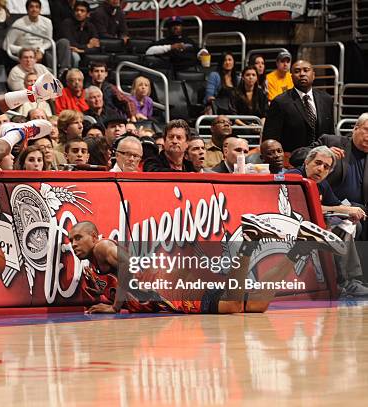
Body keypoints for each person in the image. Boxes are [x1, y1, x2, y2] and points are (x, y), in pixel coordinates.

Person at [76, 217, 345, 314]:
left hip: (165, 286)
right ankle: (302, 247)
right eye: (70, 240)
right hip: (169, 280)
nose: (74, 244)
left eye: (79, 237)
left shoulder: (103, 247)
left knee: (229, 304)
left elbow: (126, 268)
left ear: (95, 236)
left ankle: (249, 241)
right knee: (256, 303)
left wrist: (115, 307)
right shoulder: (94, 262)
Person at [286, 146, 368, 296]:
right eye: (317, 163)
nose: (320, 169)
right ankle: (345, 282)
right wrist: (343, 210)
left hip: (316, 226)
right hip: (292, 225)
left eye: (326, 167)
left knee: (347, 226)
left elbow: (334, 204)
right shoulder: (294, 177)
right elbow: (302, 206)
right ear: (306, 162)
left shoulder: (322, 184)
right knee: (339, 230)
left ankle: (349, 281)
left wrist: (349, 213)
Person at [263, 60, 334, 153]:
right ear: (291, 77)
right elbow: (270, 138)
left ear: (313, 75)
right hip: (291, 160)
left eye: (306, 70)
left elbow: (331, 133)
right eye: (297, 71)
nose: (302, 74)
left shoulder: (326, 99)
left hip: (321, 159)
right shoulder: (280, 102)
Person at [4, 0, 72, 71]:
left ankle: (64, 71)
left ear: (40, 10)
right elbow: (6, 45)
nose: (34, 10)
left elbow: (48, 41)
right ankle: (51, 75)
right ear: (27, 10)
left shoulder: (47, 22)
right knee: (48, 57)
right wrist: (24, 50)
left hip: (41, 49)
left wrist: (41, 50)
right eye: (31, 7)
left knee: (64, 42)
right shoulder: (18, 24)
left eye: (37, 7)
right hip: (26, 51)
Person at [59, 1, 99, 67]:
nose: (79, 13)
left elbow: (96, 46)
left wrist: (81, 50)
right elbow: (71, 44)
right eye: (77, 10)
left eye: (82, 11)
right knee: (76, 57)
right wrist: (87, 46)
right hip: (68, 53)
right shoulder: (67, 23)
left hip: (83, 52)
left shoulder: (91, 26)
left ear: (88, 14)